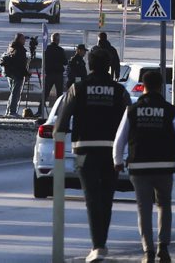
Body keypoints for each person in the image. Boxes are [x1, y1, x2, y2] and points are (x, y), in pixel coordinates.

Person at [56, 47, 131, 263]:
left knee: (91, 198)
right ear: (109, 66)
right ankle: (102, 244)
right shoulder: (119, 90)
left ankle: (97, 246)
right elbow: (131, 118)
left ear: (89, 65)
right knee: (106, 198)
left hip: (84, 149)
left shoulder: (78, 88)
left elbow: (61, 121)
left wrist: (59, 136)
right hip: (111, 150)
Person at [114, 70, 175, 262]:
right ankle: (163, 248)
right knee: (164, 205)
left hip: (139, 167)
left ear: (143, 86)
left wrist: (117, 161)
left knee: (144, 208)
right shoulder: (171, 110)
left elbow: (120, 139)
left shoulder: (132, 110)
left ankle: (148, 250)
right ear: (160, 87)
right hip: (165, 166)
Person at [0, 33, 29, 117]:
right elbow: (21, 64)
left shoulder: (11, 47)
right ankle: (12, 112)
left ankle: (8, 111)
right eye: (23, 39)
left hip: (10, 73)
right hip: (17, 74)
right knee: (15, 93)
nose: (24, 41)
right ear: (19, 40)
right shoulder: (20, 50)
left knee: (12, 93)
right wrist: (26, 74)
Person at [41, 32, 67, 115]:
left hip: (49, 74)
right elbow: (65, 62)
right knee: (59, 94)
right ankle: (59, 111)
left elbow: (43, 61)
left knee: (45, 93)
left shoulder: (46, 49)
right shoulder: (60, 50)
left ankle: (39, 110)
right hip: (58, 74)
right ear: (57, 40)